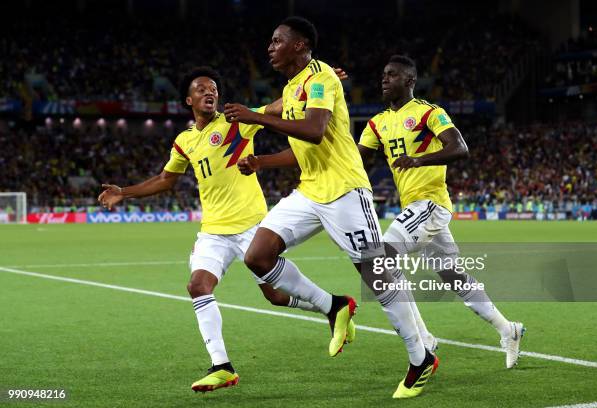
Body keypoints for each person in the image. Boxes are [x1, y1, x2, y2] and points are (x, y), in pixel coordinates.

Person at [97, 66, 352, 394]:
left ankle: (334, 305)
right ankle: (222, 367)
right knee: (198, 285)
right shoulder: (185, 141)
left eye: (213, 88)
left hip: (252, 226)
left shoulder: (236, 121)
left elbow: (275, 108)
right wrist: (124, 192)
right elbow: (166, 179)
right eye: (202, 89)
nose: (209, 92)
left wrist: (315, 85)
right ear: (188, 100)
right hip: (213, 232)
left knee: (274, 297)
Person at [225, 17, 436, 399]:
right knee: (258, 255)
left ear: (300, 45)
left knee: (377, 275)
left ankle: (420, 358)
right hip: (310, 191)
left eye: (277, 40)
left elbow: (315, 130)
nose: (269, 47)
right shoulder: (293, 88)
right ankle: (334, 305)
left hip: (345, 191)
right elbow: (302, 149)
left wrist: (256, 116)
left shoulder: (321, 77)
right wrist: (262, 161)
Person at [358, 55, 525, 368]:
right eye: (383, 74)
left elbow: (459, 147)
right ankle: (508, 329)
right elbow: (355, 161)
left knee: (379, 261)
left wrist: (419, 159)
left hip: (430, 203)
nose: (384, 79)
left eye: (392, 75)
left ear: (409, 81)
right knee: (454, 276)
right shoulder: (376, 122)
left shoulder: (428, 113)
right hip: (414, 208)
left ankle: (423, 338)